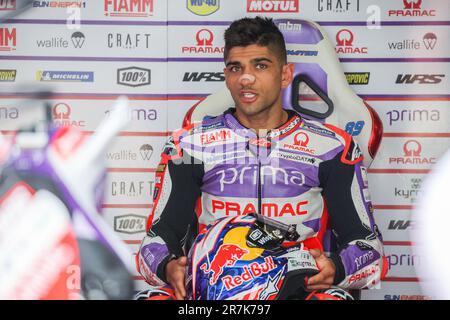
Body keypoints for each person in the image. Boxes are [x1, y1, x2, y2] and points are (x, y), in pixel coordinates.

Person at [136, 17, 387, 300]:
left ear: (285, 74)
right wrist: (169, 267)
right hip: (212, 292)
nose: (246, 78)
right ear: (226, 76)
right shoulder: (188, 145)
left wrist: (336, 269)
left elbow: (372, 254)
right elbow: (154, 242)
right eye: (235, 68)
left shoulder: (333, 146)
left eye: (261, 65)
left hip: (296, 290)